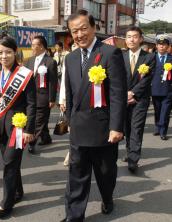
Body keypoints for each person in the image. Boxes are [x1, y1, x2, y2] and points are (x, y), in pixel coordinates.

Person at [61, 10, 127, 222]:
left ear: (94, 27)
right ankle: (74, 216)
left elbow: (117, 94)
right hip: (79, 128)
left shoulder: (109, 53)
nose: (79, 34)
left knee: (105, 173)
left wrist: (117, 127)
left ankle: (107, 198)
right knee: (77, 176)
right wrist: (70, 121)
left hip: (103, 129)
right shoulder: (70, 58)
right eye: (74, 31)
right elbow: (71, 93)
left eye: (83, 28)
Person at [0, 36, 36, 219]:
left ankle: (7, 202)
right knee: (10, 162)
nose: (4, 56)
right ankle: (18, 191)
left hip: (17, 127)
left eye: (8, 52)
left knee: (9, 163)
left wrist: (29, 129)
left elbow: (31, 104)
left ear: (15, 52)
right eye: (0, 52)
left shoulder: (25, 74)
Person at [122, 27, 155, 173]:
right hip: (123, 98)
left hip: (140, 99)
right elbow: (117, 77)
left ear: (141, 39)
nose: (131, 39)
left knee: (136, 127)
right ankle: (129, 152)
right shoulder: (119, 56)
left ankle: (133, 159)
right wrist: (125, 94)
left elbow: (147, 79)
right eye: (129, 36)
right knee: (127, 128)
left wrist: (133, 94)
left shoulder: (149, 57)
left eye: (135, 36)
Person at [25, 35, 58, 154]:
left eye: (34, 45)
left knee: (38, 121)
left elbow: (53, 82)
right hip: (30, 97)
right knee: (40, 120)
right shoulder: (29, 61)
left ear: (42, 46)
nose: (32, 47)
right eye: (32, 45)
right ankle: (46, 138)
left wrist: (52, 99)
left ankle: (32, 142)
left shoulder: (50, 62)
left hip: (43, 97)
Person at [58, 42, 78, 166]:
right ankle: (71, 152)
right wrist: (62, 100)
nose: (75, 47)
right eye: (73, 46)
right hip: (70, 99)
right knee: (71, 128)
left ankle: (73, 152)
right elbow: (64, 81)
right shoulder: (69, 59)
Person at [151, 34, 172, 140]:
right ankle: (158, 127)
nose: (162, 46)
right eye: (160, 44)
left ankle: (163, 131)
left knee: (165, 111)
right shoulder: (151, 58)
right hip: (155, 89)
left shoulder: (171, 58)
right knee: (157, 110)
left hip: (168, 90)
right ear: (156, 46)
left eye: (164, 45)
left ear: (168, 46)